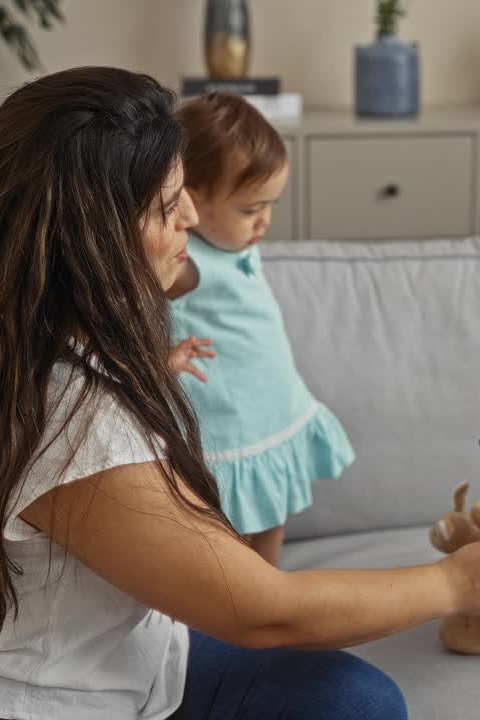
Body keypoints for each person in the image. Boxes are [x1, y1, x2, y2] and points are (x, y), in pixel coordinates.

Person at [0, 66, 480, 720]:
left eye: (183, 187)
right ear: (88, 241)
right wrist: (455, 582)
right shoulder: (70, 419)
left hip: (110, 663)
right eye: (162, 204)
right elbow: (265, 611)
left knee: (354, 701)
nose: (189, 214)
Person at [163, 92, 352, 565]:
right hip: (228, 421)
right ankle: (239, 600)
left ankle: (269, 585)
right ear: (189, 199)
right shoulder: (184, 259)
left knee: (272, 511)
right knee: (222, 528)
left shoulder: (236, 241)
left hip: (272, 403)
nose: (265, 222)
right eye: (250, 210)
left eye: (270, 205)